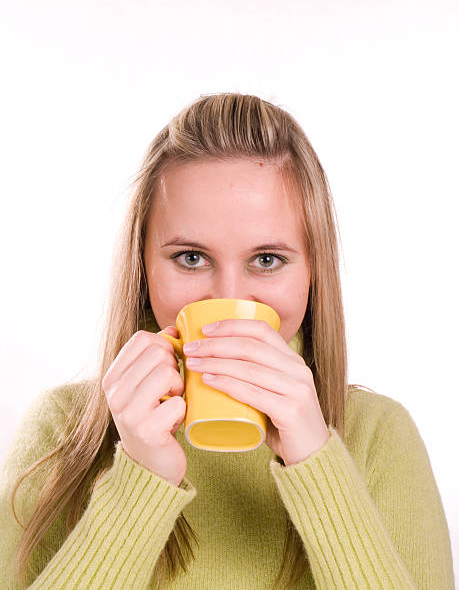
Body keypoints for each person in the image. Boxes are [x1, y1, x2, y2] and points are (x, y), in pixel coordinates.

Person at [0, 93, 454, 590]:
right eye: (191, 258)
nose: (229, 301)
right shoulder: (61, 432)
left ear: (312, 272)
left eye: (267, 260)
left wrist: (317, 463)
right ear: (142, 268)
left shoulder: (378, 434)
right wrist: (138, 482)